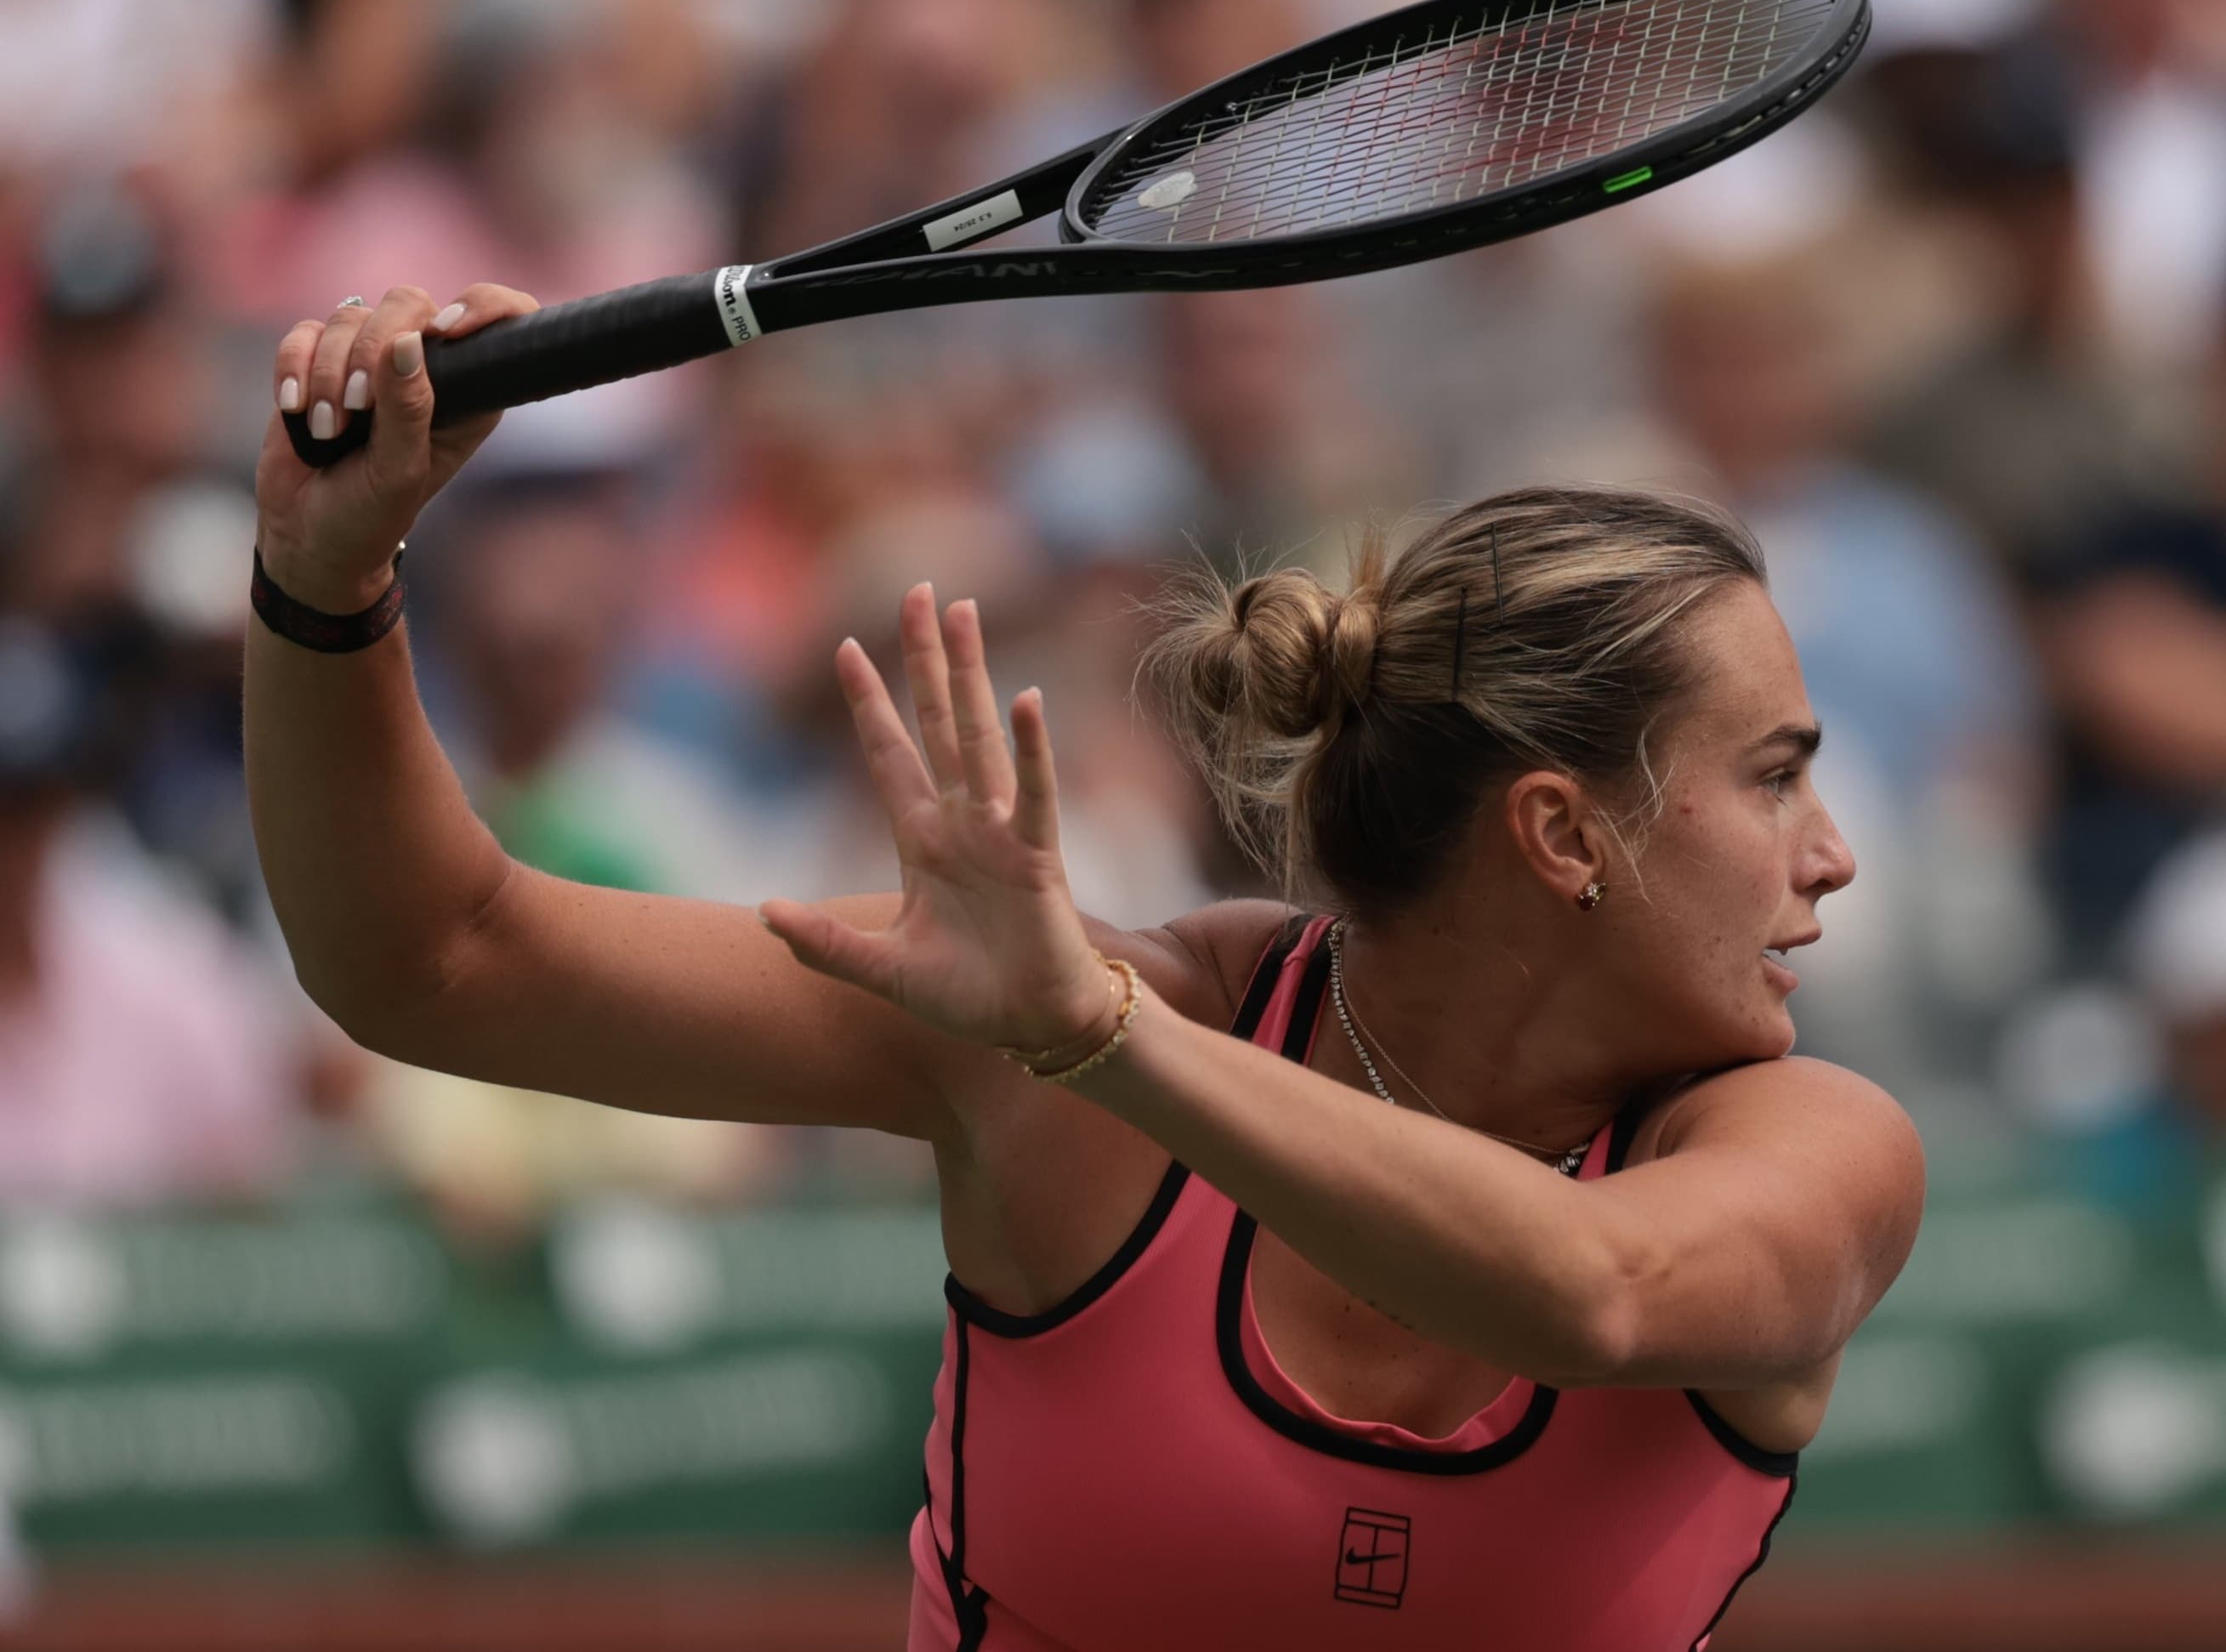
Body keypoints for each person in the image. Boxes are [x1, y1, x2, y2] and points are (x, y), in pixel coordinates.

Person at [247, 287, 1925, 1651]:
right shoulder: (1063, 1040)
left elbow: (1589, 1291)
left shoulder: (1821, 1157)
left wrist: (1098, 1040)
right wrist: (325, 582)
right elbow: (431, 960)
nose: (1829, 849)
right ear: (1565, 835)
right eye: (1774, 773)